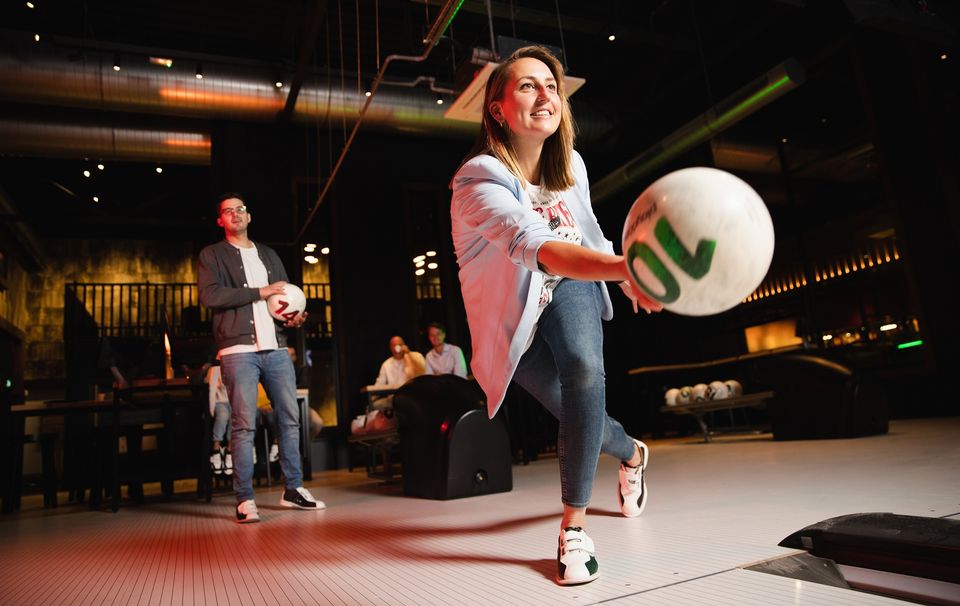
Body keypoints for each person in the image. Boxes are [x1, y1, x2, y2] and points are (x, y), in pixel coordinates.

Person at [449, 45, 663, 585]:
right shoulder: (476, 180)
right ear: (497, 109)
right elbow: (536, 246)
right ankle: (631, 453)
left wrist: (624, 273)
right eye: (527, 85)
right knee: (579, 414)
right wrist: (626, 267)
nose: (545, 95)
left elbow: (586, 232)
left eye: (552, 86)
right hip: (514, 318)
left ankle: (574, 527)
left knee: (585, 371)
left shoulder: (571, 166)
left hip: (571, 286)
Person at [197, 192, 325, 523]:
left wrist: (293, 318)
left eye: (240, 209)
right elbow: (211, 296)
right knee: (243, 424)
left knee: (290, 418)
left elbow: (283, 299)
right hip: (238, 351)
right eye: (228, 211)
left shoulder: (268, 255)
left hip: (276, 348)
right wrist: (261, 291)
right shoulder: (212, 254)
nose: (235, 214)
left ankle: (293, 488)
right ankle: (245, 499)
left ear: (249, 216)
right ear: (220, 220)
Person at [369, 335, 426, 408]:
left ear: (404, 346)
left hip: (412, 394)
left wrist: (408, 354)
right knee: (375, 405)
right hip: (394, 397)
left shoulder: (416, 356)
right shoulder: (386, 364)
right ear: (390, 348)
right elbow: (379, 385)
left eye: (399, 345)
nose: (396, 347)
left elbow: (422, 372)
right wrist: (371, 399)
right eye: (393, 345)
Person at [205, 358, 232, 476]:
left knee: (236, 418)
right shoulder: (215, 369)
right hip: (220, 401)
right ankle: (216, 449)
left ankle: (230, 451)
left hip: (235, 401)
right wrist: (211, 410)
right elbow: (212, 390)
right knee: (222, 415)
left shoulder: (237, 365)